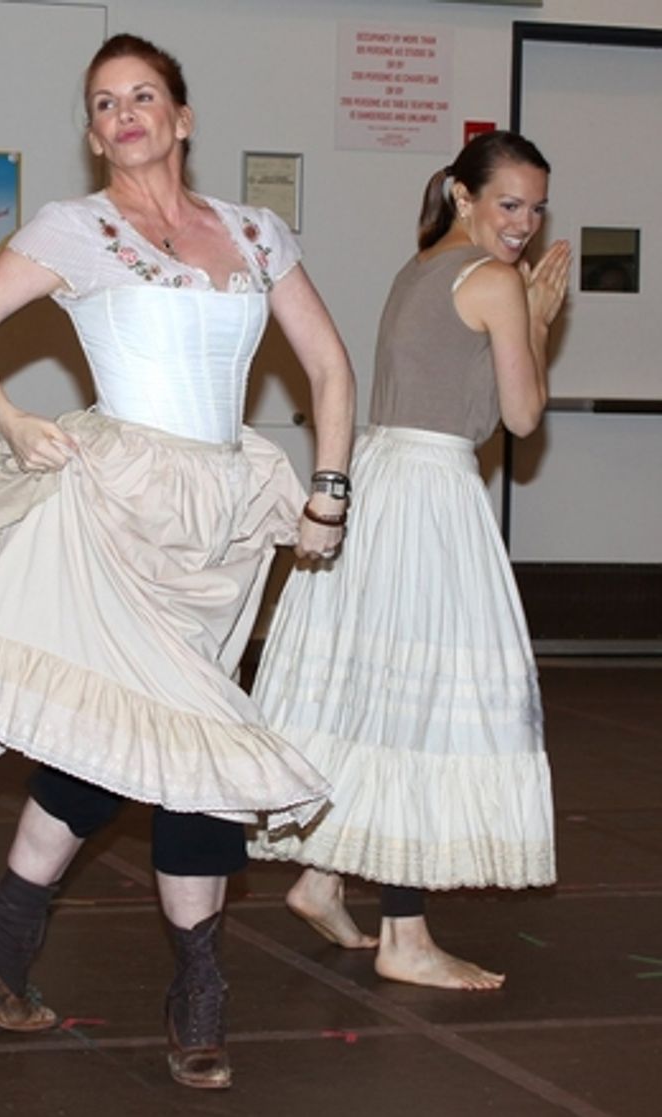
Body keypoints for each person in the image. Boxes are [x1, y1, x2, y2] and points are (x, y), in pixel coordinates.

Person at [0, 34, 355, 1090]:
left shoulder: (252, 230)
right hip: (118, 504)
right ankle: (198, 987)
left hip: (223, 515)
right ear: (92, 130)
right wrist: (10, 417)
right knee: (190, 738)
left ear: (182, 117)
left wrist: (326, 491)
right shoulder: (76, 229)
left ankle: (2, 934)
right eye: (103, 104)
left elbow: (326, 365)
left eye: (142, 96)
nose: (124, 115)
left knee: (127, 733)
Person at [249, 131, 570, 990]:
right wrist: (537, 320)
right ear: (464, 196)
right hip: (428, 492)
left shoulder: (422, 263)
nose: (524, 224)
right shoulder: (496, 281)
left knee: (376, 687)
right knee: (420, 705)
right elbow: (524, 415)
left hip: (381, 478)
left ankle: (322, 875)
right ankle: (405, 933)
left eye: (536, 209)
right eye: (509, 204)